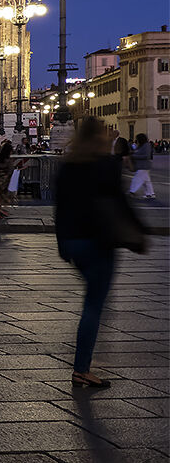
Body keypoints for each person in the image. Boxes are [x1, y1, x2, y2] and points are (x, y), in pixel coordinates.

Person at [55, 117, 147, 389]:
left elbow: (60, 209)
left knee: (95, 301)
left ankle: (85, 361)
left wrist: (63, 245)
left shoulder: (67, 166)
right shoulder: (106, 165)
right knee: (94, 306)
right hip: (99, 241)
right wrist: (140, 233)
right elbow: (121, 203)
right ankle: (82, 369)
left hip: (74, 243)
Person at [129, 134, 156, 199]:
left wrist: (134, 156)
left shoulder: (146, 145)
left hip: (143, 166)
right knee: (147, 181)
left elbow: (146, 156)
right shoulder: (142, 145)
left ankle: (132, 191)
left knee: (137, 179)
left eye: (137, 139)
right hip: (143, 166)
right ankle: (150, 194)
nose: (136, 140)